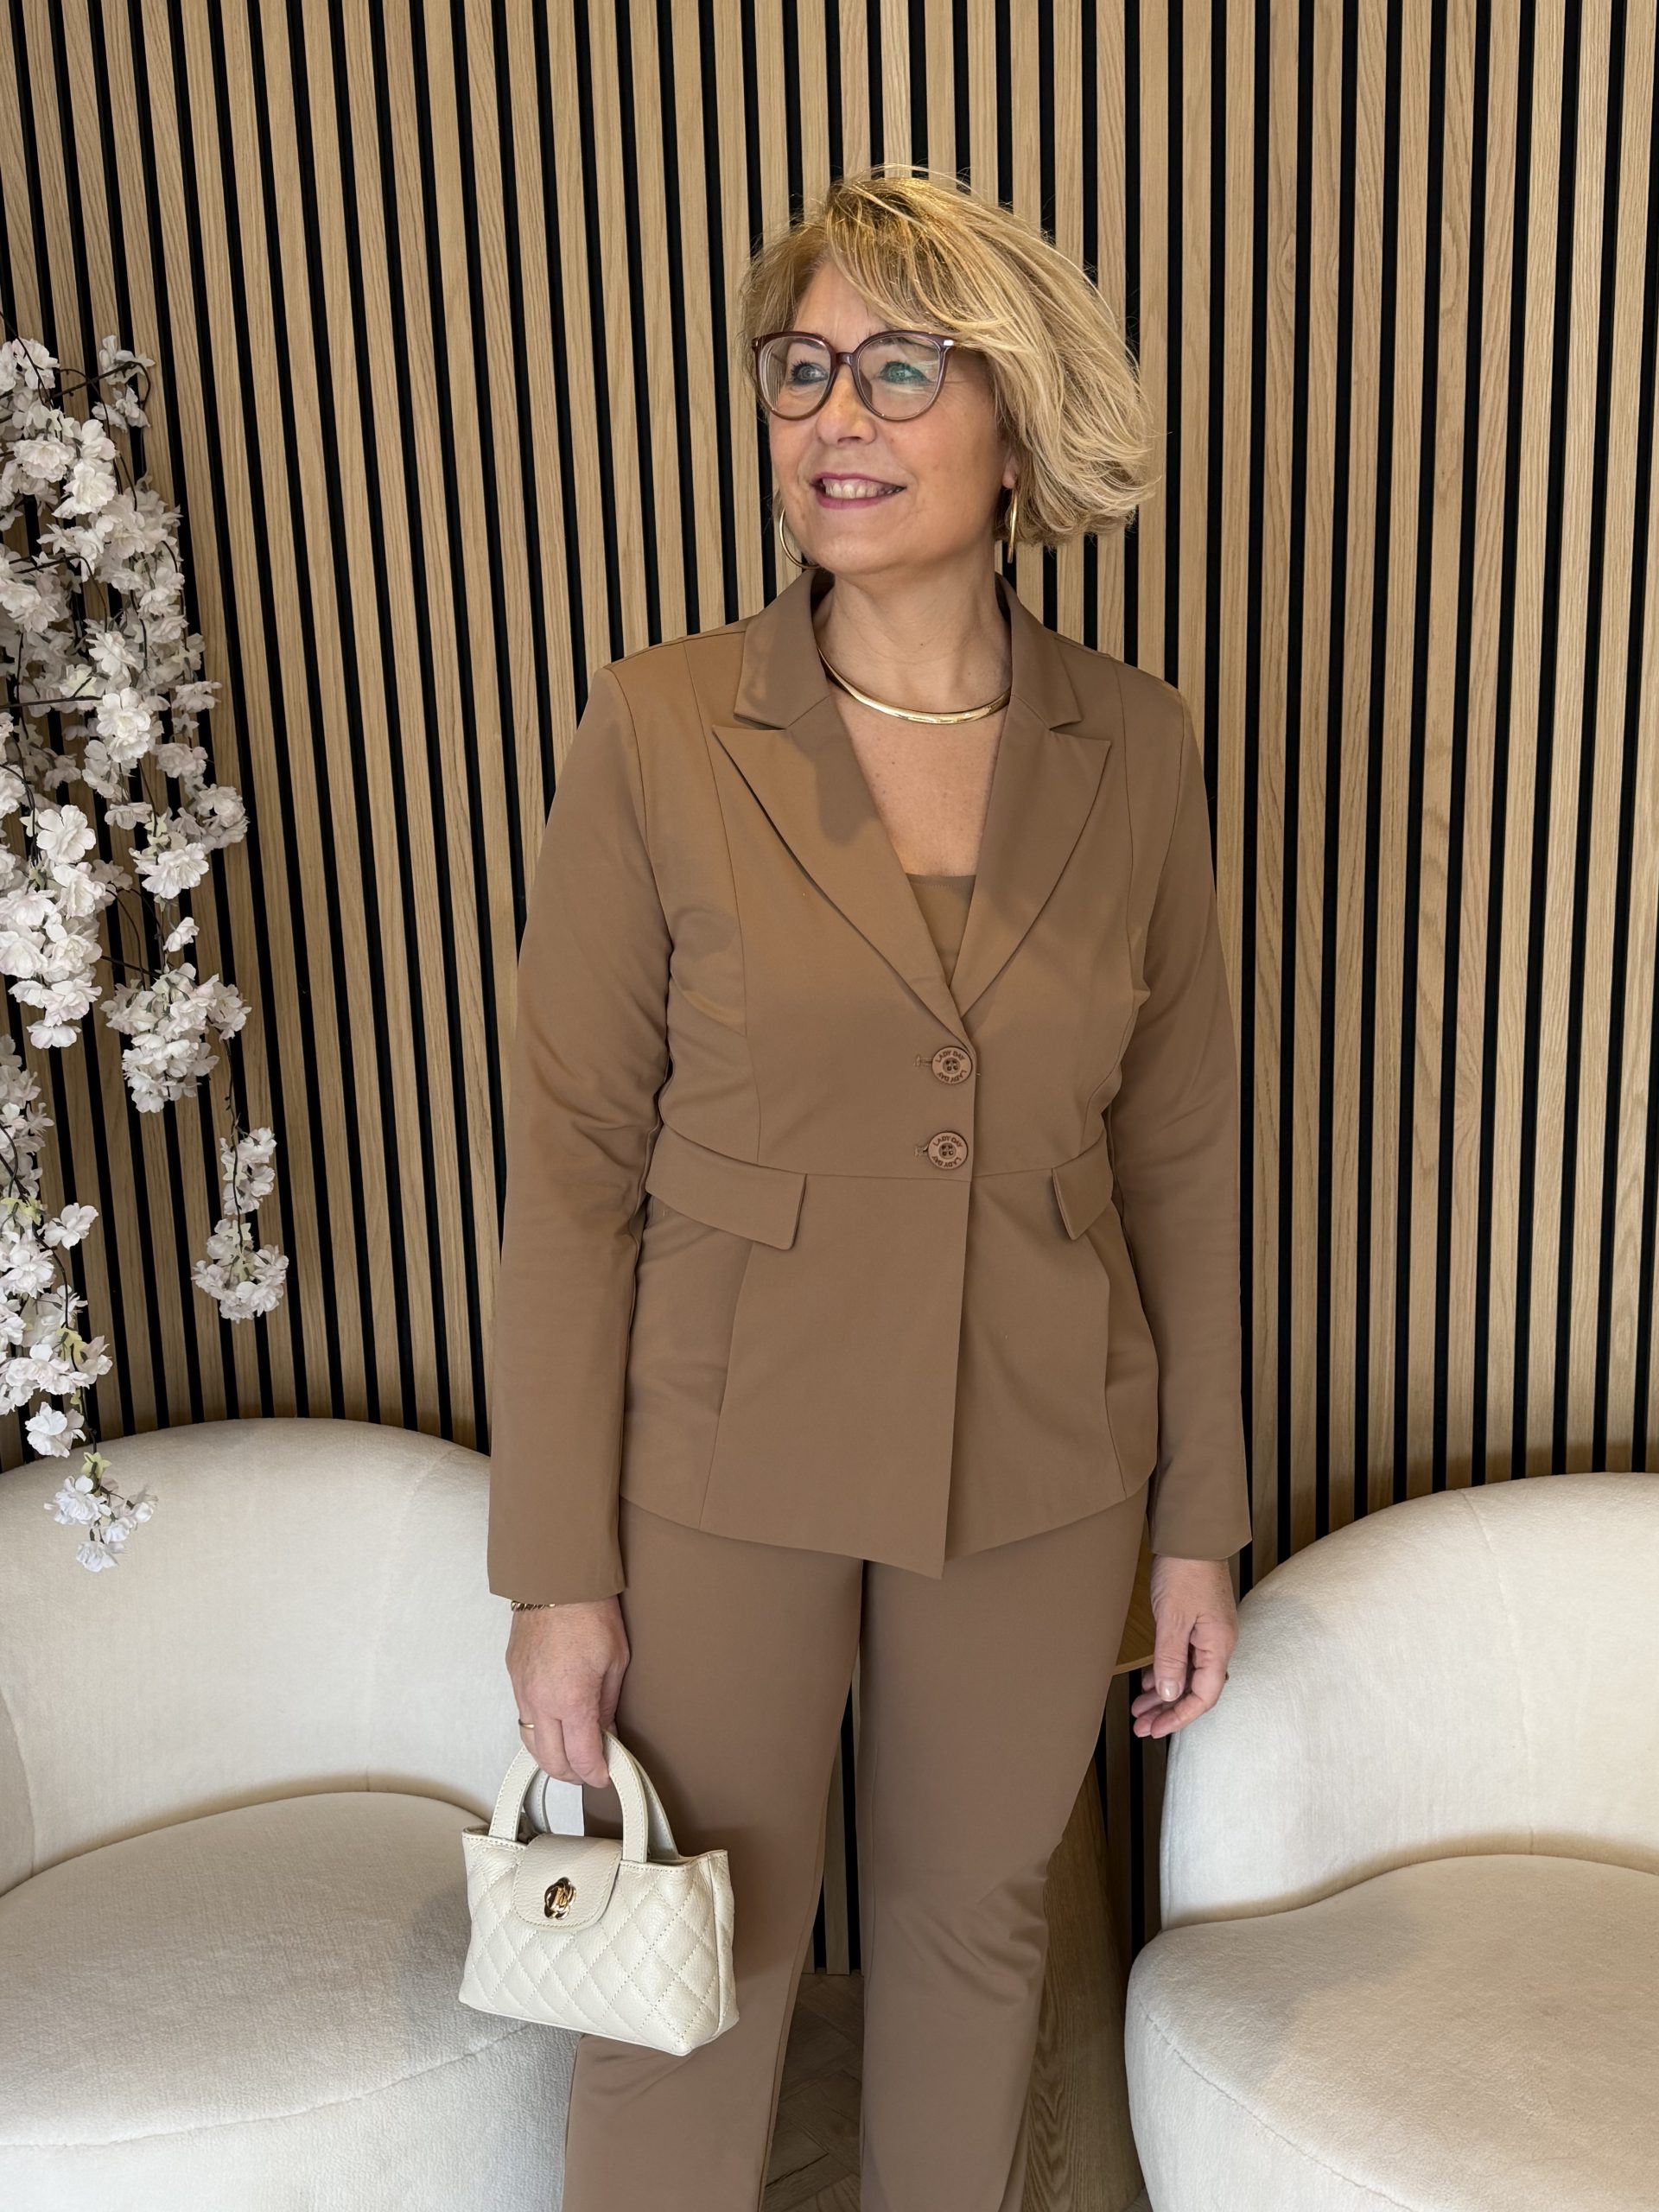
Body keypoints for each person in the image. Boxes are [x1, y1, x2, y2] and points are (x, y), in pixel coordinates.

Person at [486, 164, 1252, 2212]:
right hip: (723, 1444)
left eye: (901, 369)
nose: (836, 415)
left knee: (973, 1935)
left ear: (1014, 418)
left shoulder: (1137, 745)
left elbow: (1180, 1155)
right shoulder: (663, 726)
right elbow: (571, 1163)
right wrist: (554, 1567)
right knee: (690, 1958)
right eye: (800, 368)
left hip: (1043, 1445)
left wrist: (1197, 1520)